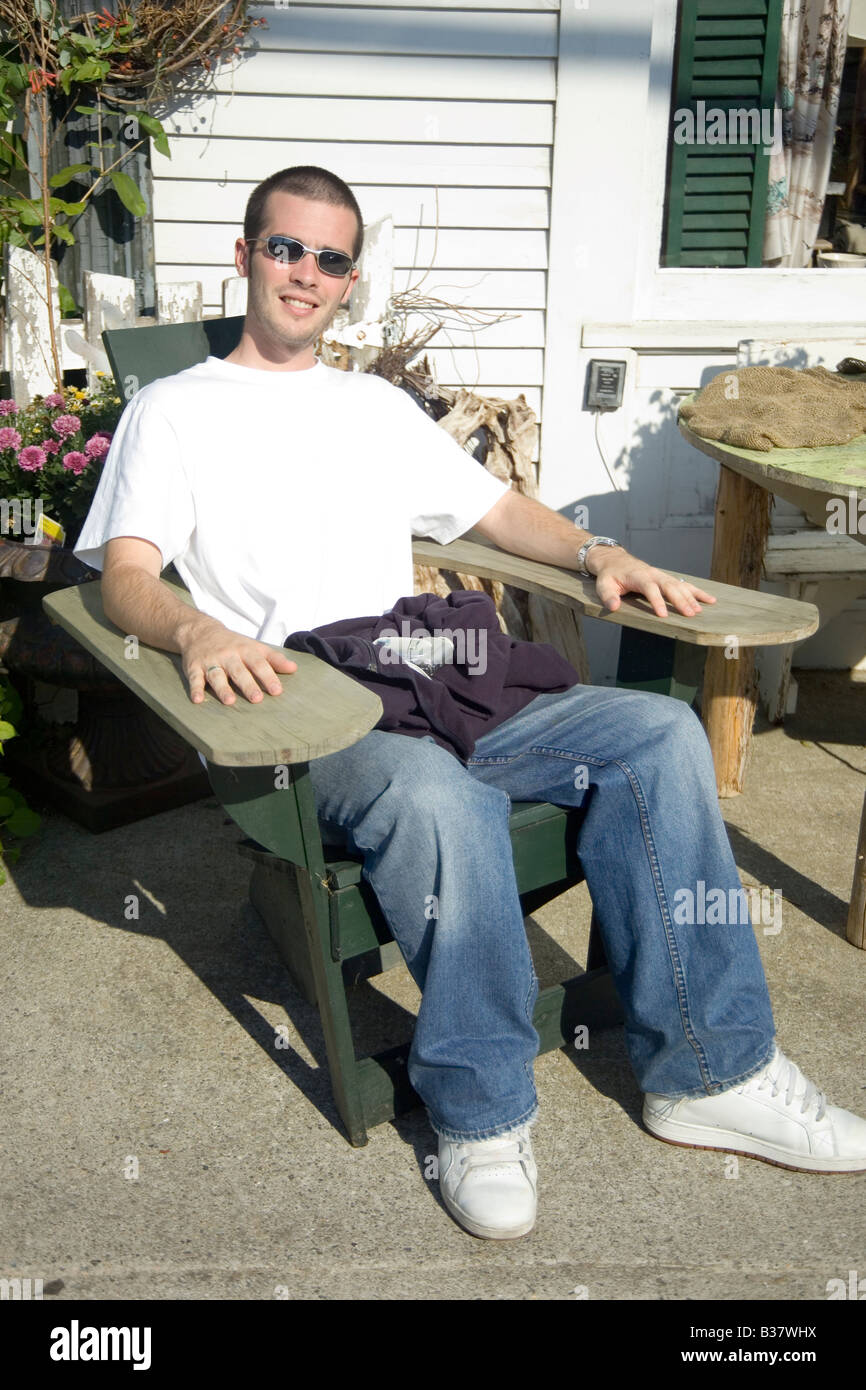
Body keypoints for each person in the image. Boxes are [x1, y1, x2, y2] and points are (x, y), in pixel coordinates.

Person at [74, 166, 866, 1242]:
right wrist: (195, 627)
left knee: (656, 732)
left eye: (331, 258)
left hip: (440, 672)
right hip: (306, 708)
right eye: (285, 248)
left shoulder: (371, 406)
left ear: (350, 281)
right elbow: (123, 575)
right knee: (440, 801)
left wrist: (598, 553)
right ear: (245, 253)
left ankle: (708, 1069)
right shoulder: (173, 411)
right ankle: (481, 1110)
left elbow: (494, 512)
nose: (306, 274)